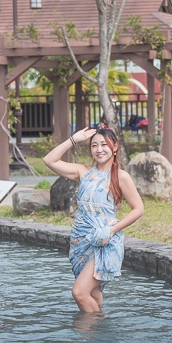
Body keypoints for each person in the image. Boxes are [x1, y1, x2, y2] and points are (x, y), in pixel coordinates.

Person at [43, 125, 144, 313]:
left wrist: (111, 230)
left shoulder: (121, 177)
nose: (99, 149)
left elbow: (138, 209)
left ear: (114, 147)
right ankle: (96, 339)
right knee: (94, 293)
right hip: (81, 240)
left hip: (105, 240)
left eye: (104, 145)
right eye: (94, 145)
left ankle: (90, 332)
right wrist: (74, 139)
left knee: (79, 293)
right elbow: (49, 160)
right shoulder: (83, 172)